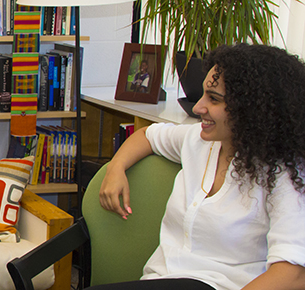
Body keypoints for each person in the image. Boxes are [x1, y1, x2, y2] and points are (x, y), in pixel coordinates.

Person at [97, 43, 305, 290]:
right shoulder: (198, 140)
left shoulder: (284, 174)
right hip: (162, 279)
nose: (198, 107)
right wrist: (116, 167)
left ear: (251, 108)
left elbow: (293, 274)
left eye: (214, 99)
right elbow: (149, 136)